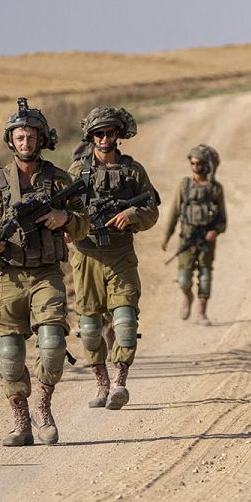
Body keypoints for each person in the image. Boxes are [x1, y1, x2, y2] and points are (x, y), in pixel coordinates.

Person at [0, 98, 89, 446]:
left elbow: (84, 222)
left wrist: (67, 219)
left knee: (52, 344)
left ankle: (43, 407)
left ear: (41, 138)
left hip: (47, 273)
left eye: (31, 136)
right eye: (19, 137)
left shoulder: (59, 179)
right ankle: (21, 422)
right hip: (7, 276)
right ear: (11, 140)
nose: (26, 142)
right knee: (9, 352)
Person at [67, 107, 160, 410]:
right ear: (91, 136)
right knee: (91, 327)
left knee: (125, 321)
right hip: (86, 257)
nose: (105, 138)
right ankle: (101, 384)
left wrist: (131, 215)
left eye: (110, 132)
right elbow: (63, 213)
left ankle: (119, 382)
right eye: (99, 133)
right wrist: (68, 228)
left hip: (120, 254)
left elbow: (152, 210)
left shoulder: (134, 171)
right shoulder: (76, 172)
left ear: (119, 134)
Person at [161, 145, 227, 324]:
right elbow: (174, 212)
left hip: (206, 240)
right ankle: (187, 297)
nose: (195, 166)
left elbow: (222, 219)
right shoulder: (184, 186)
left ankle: (201, 313)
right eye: (193, 163)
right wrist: (167, 236)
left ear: (208, 165)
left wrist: (215, 231)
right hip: (188, 238)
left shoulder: (215, 189)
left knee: (205, 277)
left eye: (199, 163)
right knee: (184, 279)